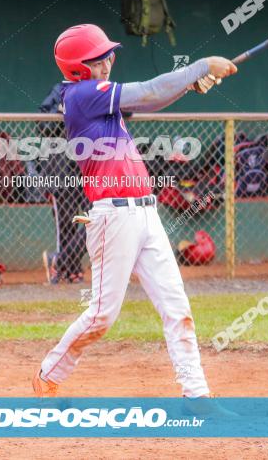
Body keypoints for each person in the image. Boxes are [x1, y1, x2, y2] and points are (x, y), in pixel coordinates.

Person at [32, 23, 236, 399]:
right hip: (114, 216)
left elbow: (152, 99)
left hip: (146, 213)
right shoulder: (80, 95)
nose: (107, 62)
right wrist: (201, 66)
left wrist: (190, 84)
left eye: (107, 56)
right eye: (97, 59)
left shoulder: (100, 97)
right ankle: (49, 373)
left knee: (178, 309)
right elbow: (150, 90)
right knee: (101, 317)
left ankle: (197, 395)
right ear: (78, 68)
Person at [38, 82, 89, 284]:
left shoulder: (101, 88)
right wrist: (62, 112)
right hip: (61, 169)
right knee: (67, 224)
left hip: (90, 168)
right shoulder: (60, 90)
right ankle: (70, 269)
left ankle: (59, 261)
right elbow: (43, 125)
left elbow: (125, 110)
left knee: (94, 220)